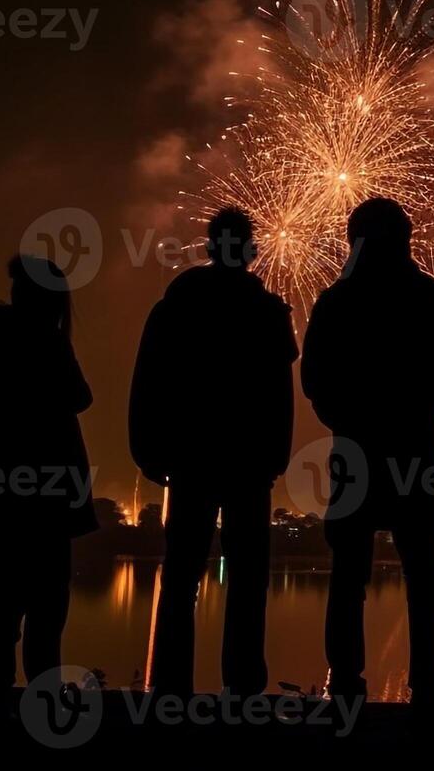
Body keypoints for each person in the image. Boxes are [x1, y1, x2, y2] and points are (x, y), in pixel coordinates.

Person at [129, 207, 298, 697]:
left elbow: (148, 382)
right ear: (249, 251)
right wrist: (275, 458)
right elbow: (279, 395)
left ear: (209, 247)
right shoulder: (268, 311)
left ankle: (169, 686)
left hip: (190, 459)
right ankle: (243, 687)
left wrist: (148, 450)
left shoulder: (176, 305)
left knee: (180, 577)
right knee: (248, 582)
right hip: (248, 463)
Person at [301, 198, 434, 710]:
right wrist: (412, 413)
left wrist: (349, 422)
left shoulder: (336, 301)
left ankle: (345, 679)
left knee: (348, 571)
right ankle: (427, 682)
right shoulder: (428, 296)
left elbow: (314, 381)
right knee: (423, 569)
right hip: (413, 447)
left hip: (355, 450)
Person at [0, 255, 99, 700]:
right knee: (47, 600)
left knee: (2, 593)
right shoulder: (49, 343)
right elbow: (82, 396)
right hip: (52, 494)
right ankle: (41, 692)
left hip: (7, 490)